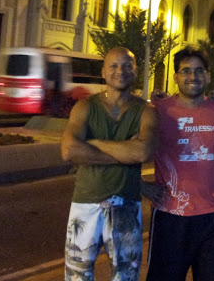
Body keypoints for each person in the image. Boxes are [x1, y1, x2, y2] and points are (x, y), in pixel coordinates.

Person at [61, 47, 159, 281]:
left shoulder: (147, 111)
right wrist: (125, 153)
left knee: (126, 277)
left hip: (127, 204)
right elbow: (69, 150)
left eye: (127, 65)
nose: (120, 71)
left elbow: (143, 152)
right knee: (77, 276)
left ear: (135, 71)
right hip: (85, 204)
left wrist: (93, 144)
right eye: (113, 66)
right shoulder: (85, 107)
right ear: (103, 72)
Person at [143, 47, 214, 281]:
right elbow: (130, 148)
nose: (193, 76)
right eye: (186, 71)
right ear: (175, 77)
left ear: (208, 76)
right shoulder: (158, 112)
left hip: (213, 218)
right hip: (170, 218)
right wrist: (141, 186)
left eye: (199, 70)